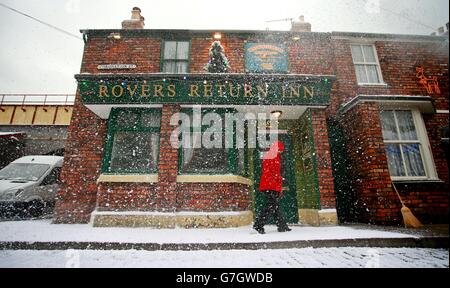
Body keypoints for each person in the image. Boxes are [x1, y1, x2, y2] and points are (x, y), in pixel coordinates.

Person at [253, 140, 291, 234]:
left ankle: (282, 226)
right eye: (280, 150)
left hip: (271, 185)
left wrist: (279, 183)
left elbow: (273, 172)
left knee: (274, 207)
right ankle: (258, 225)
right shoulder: (272, 157)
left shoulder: (273, 156)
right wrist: (280, 178)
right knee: (270, 206)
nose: (281, 152)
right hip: (270, 185)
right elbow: (272, 172)